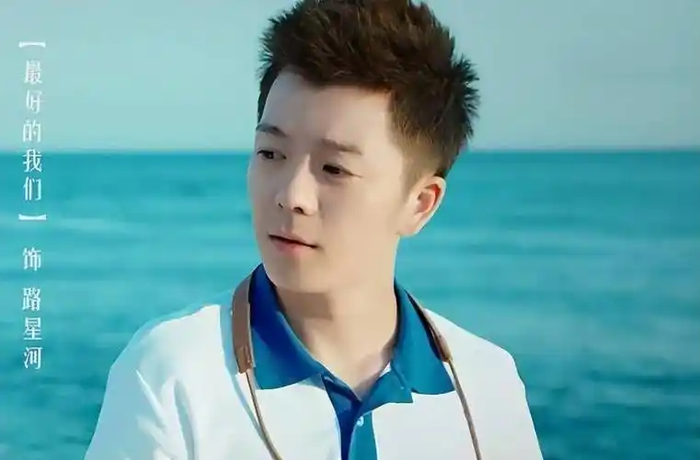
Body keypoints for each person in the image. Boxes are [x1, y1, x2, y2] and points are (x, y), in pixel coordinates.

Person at [85, 0, 543, 458]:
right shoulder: (172, 374)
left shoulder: (485, 387)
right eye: (271, 154)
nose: (291, 195)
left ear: (419, 204)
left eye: (334, 169)